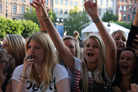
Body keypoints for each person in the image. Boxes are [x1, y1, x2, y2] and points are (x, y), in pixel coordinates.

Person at [32, 0, 116, 92]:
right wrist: (45, 18)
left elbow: (112, 49)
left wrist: (96, 18)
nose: (90, 48)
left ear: (102, 51)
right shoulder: (77, 66)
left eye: (95, 46)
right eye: (87, 45)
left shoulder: (106, 71)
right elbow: (61, 47)